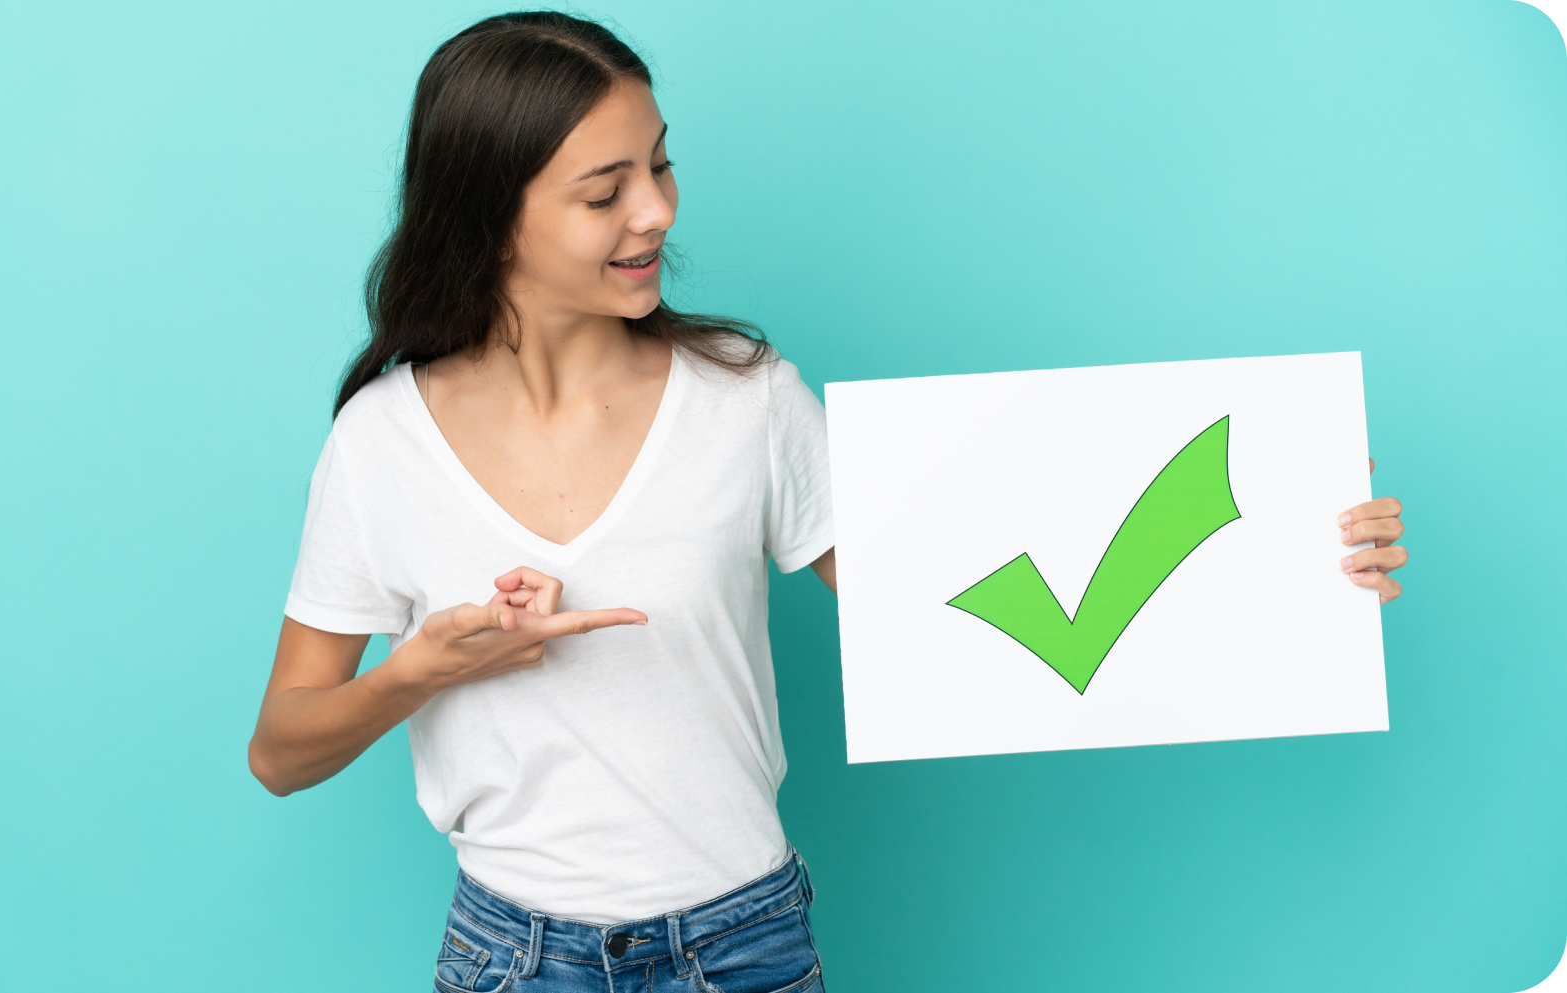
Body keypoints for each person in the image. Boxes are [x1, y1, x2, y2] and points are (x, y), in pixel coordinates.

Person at [247, 12, 1408, 993]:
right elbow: (281, 753)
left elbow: (976, 603)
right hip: (513, 958)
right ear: (491, 213)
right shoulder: (381, 443)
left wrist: (1296, 554)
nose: (656, 210)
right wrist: (425, 671)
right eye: (606, 191)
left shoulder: (744, 400)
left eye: (659, 165)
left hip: (743, 946)